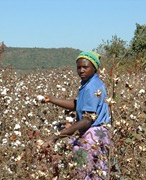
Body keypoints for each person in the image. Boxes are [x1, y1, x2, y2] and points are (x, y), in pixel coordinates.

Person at [42, 51, 111, 179]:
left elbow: (87, 120)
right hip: (96, 134)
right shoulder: (89, 84)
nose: (81, 70)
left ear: (94, 68)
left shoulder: (92, 87)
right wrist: (51, 99)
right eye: (79, 67)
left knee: (88, 173)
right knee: (98, 171)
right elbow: (78, 104)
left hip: (92, 136)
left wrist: (57, 136)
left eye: (85, 67)